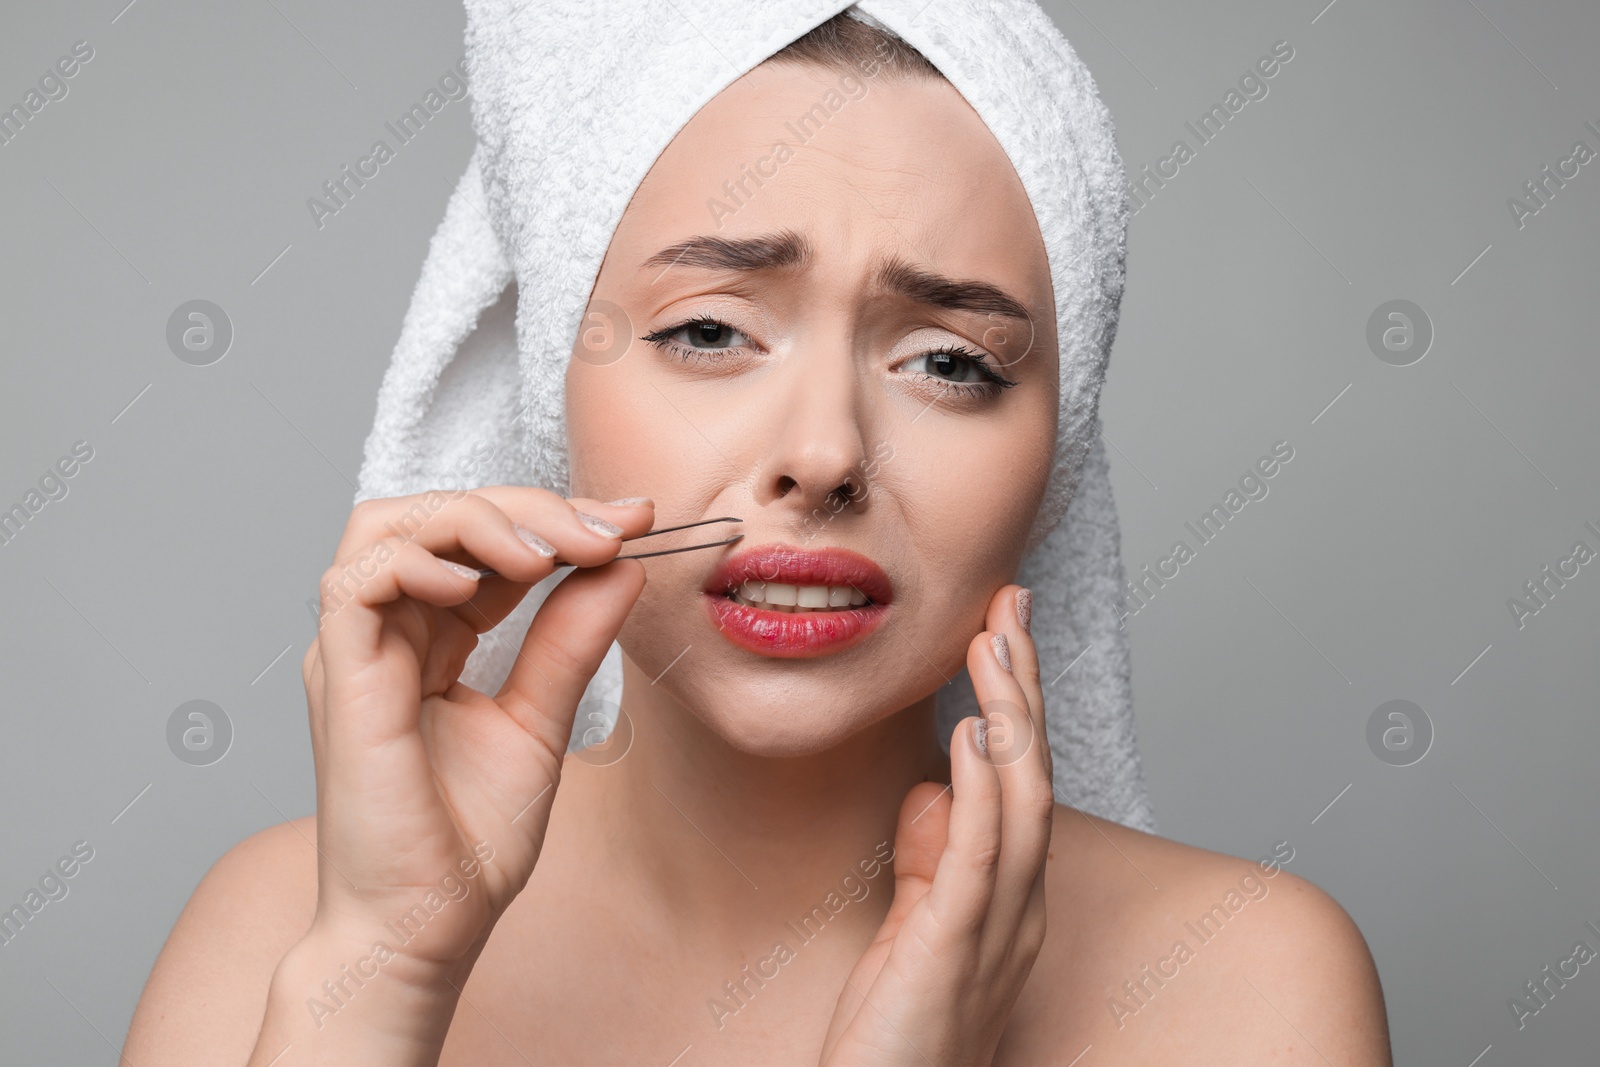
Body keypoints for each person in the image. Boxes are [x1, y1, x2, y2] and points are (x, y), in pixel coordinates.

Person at [124, 11, 1391, 1065]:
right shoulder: (280, 936)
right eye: (711, 330)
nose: (828, 452)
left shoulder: (1241, 987)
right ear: (551, 383)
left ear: (1054, 460)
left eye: (949, 360)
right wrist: (381, 977)